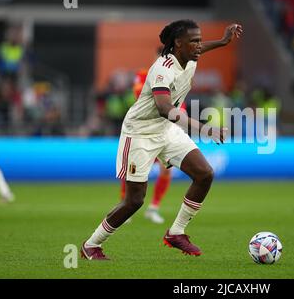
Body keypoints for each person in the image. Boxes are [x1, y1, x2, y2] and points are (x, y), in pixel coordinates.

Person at [81, 20, 243, 259]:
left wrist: (221, 41)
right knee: (134, 201)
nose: (199, 45)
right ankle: (91, 245)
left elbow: (199, 50)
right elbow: (165, 108)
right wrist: (203, 129)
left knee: (204, 173)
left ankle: (176, 232)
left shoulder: (189, 57)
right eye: (194, 41)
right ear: (178, 44)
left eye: (200, 40)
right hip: (140, 133)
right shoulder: (162, 68)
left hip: (167, 130)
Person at [119, 68, 173, 224]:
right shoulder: (144, 74)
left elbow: (179, 105)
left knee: (166, 170)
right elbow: (139, 95)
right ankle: (125, 205)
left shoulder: (176, 76)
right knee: (133, 169)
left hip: (163, 131)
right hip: (143, 131)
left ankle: (153, 208)